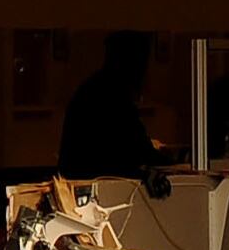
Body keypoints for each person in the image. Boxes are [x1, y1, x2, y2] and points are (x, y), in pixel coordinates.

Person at [57, 29, 166, 186]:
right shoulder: (109, 96)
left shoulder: (96, 90)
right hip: (95, 186)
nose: (144, 70)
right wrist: (174, 165)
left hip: (87, 184)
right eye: (141, 60)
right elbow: (137, 149)